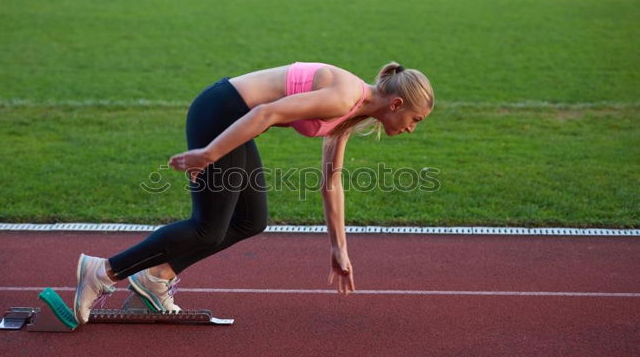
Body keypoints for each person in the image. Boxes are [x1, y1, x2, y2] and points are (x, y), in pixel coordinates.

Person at [73, 61, 434, 323]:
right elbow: (268, 112)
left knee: (251, 220)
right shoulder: (344, 96)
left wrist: (339, 248)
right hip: (221, 111)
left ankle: (155, 277)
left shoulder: (352, 113)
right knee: (207, 227)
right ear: (397, 105)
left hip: (235, 118)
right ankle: (103, 271)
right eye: (415, 120)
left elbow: (331, 182)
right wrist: (209, 153)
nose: (412, 129)